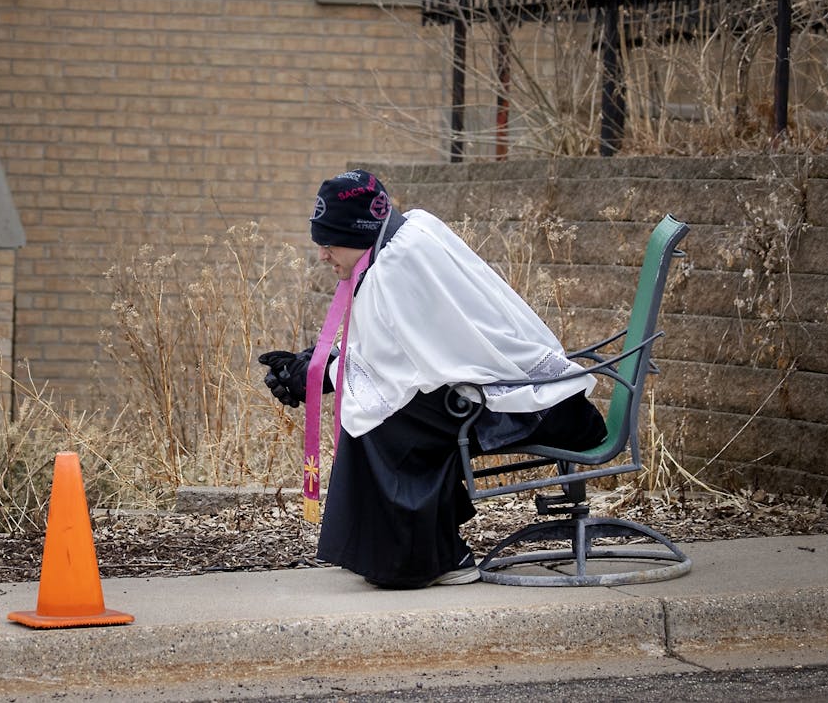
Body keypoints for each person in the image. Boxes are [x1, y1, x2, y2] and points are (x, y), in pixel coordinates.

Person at [258, 171, 606, 589]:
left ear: (359, 233)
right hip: (537, 397)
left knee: (378, 420)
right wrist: (316, 367)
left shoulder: (393, 270)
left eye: (329, 241)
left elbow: (390, 371)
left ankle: (431, 559)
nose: (322, 255)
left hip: (537, 410)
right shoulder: (411, 233)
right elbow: (395, 352)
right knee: (383, 408)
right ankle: (434, 546)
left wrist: (314, 375)